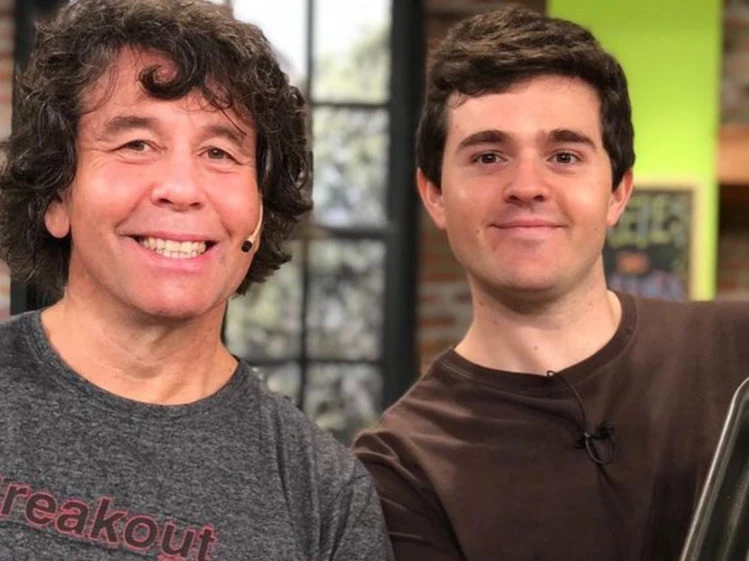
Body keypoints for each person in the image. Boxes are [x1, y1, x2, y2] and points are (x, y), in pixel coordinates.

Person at [353, 5, 749, 561]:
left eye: (564, 156)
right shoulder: (401, 470)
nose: (527, 185)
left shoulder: (738, 351)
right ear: (435, 194)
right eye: (488, 156)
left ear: (617, 192)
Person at [0, 1, 393, 559]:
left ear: (259, 212)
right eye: (137, 144)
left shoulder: (326, 495)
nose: (182, 189)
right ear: (57, 197)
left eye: (219, 151)